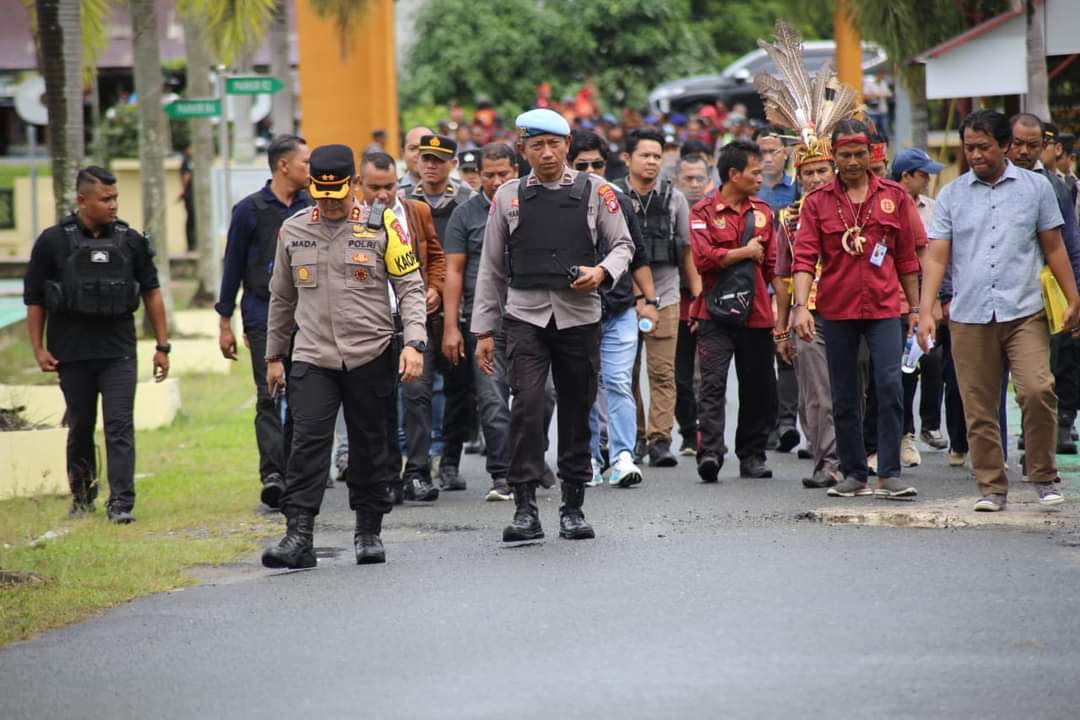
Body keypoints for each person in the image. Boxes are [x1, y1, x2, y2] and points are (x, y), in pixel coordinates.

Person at [261, 144, 427, 569]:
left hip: (369, 352)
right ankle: (298, 536)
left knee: (371, 446)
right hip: (312, 355)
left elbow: (409, 286)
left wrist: (413, 342)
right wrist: (274, 356)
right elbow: (281, 298)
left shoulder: (383, 225)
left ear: (353, 186)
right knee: (306, 445)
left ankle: (369, 531)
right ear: (312, 187)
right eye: (321, 194)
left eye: (338, 194)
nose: (330, 203)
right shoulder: (293, 229)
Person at [472, 108, 633, 543]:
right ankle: (524, 506)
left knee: (578, 408)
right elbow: (490, 269)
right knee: (526, 406)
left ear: (567, 146)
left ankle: (573, 506)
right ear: (523, 149)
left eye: (554, 145)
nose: (546, 154)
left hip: (580, 317)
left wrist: (601, 273)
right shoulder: (508, 196)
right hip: (524, 316)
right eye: (536, 146)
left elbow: (622, 245)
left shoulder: (597, 191)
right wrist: (484, 331)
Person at [918, 109, 1080, 512]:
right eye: (969, 147)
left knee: (1037, 390)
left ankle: (1043, 475)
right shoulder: (952, 195)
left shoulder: (1035, 189)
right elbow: (937, 257)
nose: (975, 155)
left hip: (1024, 310)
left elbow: (1054, 247)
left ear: (1004, 145)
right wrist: (926, 310)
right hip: (970, 315)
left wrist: (1074, 297)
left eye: (983, 147)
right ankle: (992, 486)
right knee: (979, 404)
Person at [24, 166, 170, 523]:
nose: (113, 205)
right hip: (70, 353)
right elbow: (35, 299)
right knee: (81, 427)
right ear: (81, 200)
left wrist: (162, 346)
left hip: (118, 351)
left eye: (115, 197)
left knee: (120, 426)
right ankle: (82, 496)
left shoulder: (130, 240)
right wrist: (38, 349)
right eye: (106, 199)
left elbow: (152, 293)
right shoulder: (52, 241)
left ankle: (121, 503)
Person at [792, 119, 923, 499]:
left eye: (859, 154)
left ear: (872, 154)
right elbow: (803, 259)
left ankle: (889, 473)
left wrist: (914, 310)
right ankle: (853, 474)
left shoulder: (894, 196)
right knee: (844, 392)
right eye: (845, 155)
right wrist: (801, 308)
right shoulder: (818, 203)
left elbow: (907, 260)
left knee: (889, 385)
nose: (852, 161)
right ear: (834, 156)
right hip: (836, 310)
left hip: (884, 309)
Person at [215, 135, 312, 508]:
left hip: (308, 318)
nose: (310, 169)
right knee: (269, 395)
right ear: (283, 165)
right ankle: (273, 474)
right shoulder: (249, 210)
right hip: (261, 315)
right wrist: (224, 320)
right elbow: (232, 266)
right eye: (305, 162)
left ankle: (297, 469)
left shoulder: (312, 205)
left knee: (305, 394)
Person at [690, 140, 784, 482]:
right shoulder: (702, 211)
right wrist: (744, 252)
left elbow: (773, 265)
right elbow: (703, 259)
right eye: (755, 172)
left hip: (757, 312)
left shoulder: (764, 212)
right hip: (714, 313)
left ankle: (752, 454)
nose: (761, 177)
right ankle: (710, 452)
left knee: (757, 386)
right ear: (733, 174)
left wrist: (783, 311)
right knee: (712, 385)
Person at [570, 130, 659, 487]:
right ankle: (589, 458)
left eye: (598, 164)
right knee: (585, 388)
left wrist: (649, 302)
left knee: (620, 382)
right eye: (582, 165)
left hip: (619, 308)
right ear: (568, 166)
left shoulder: (618, 201)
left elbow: (637, 254)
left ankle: (623, 456)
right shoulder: (558, 203)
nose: (591, 170)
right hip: (576, 312)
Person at [615, 128, 699, 468]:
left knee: (663, 373)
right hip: (621, 300)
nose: (651, 162)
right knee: (626, 374)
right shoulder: (613, 196)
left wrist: (697, 294)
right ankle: (633, 436)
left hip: (665, 297)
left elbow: (687, 248)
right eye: (644, 155)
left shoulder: (674, 198)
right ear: (627, 159)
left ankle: (660, 439)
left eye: (656, 156)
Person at [441, 144, 519, 501]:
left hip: (531, 317)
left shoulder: (530, 205)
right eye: (489, 174)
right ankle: (502, 475)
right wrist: (452, 326)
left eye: (503, 173)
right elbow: (453, 271)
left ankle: (529, 458)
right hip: (483, 321)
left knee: (543, 397)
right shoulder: (465, 213)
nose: (496, 181)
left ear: (515, 171)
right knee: (491, 399)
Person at [1007, 114, 1080, 455]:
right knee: (988, 389)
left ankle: (1039, 451)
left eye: (1032, 145)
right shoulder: (974, 184)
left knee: (1040, 381)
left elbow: (1067, 247)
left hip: (1039, 300)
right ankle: (988, 460)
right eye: (1017, 143)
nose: (1023, 151)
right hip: (986, 302)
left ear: (1045, 147)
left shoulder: (1054, 187)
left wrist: (1073, 298)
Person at [406, 134, 473, 493]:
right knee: (415, 390)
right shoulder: (404, 202)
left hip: (459, 311)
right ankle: (416, 468)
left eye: (438, 159)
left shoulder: (469, 202)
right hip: (417, 310)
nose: (430, 164)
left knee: (459, 390)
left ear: (453, 164)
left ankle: (449, 461)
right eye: (425, 158)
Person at [775, 139, 841, 488]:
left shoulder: (854, 210)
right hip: (808, 314)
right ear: (798, 178)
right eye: (808, 173)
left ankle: (861, 457)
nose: (816, 178)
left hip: (851, 310)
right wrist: (782, 326)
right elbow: (782, 274)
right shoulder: (789, 217)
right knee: (817, 393)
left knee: (857, 388)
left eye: (822, 171)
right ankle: (826, 461)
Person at [891, 148, 948, 460]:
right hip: (894, 300)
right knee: (904, 369)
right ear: (905, 176)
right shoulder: (887, 205)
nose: (928, 180)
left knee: (934, 360)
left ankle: (930, 423)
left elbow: (936, 257)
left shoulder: (933, 208)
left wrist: (935, 300)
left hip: (924, 297)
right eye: (923, 174)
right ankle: (905, 433)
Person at [753, 125, 801, 454]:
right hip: (757, 281)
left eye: (773, 152)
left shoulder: (798, 190)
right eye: (761, 153)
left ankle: (787, 422)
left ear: (786, 153)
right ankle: (767, 423)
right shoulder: (750, 189)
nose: (767, 159)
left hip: (790, 281)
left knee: (789, 354)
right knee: (759, 358)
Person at [673, 153, 711, 454]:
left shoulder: (715, 212)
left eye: (700, 178)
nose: (695, 185)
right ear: (677, 180)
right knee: (680, 376)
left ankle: (708, 435)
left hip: (711, 306)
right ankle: (688, 433)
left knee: (708, 376)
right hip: (677, 304)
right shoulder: (669, 209)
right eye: (689, 179)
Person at [398, 126, 434, 197]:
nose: (419, 154)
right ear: (403, 153)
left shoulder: (458, 192)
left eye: (425, 148)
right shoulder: (391, 192)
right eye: (413, 148)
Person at [179, 145, 196, 252]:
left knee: (192, 220)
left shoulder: (188, 161)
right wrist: (184, 191)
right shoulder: (187, 161)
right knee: (191, 220)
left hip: (190, 195)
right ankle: (191, 245)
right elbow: (186, 177)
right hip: (190, 195)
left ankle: (193, 245)